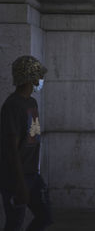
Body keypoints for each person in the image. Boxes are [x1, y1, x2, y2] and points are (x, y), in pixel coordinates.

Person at [0, 55, 53, 231]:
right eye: (38, 75)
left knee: (45, 216)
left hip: (32, 174)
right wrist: (20, 182)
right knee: (15, 223)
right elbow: (11, 148)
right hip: (16, 177)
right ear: (31, 77)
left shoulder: (31, 102)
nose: (40, 79)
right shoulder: (13, 105)